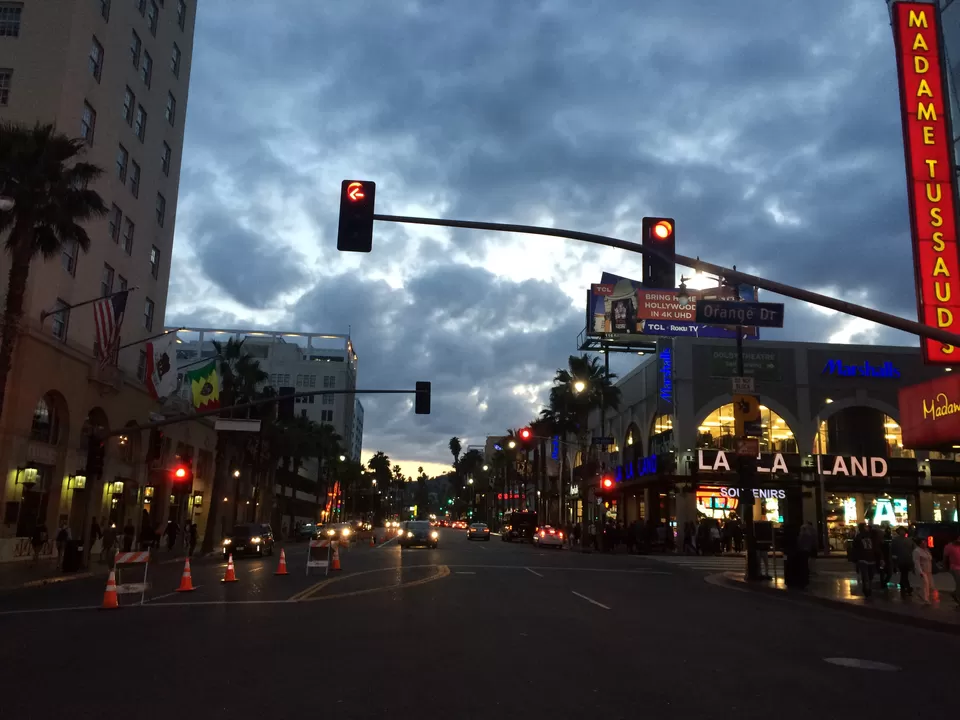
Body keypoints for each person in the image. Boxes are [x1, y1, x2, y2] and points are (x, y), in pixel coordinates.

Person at [852, 523, 879, 597]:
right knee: (866, 575)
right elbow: (855, 549)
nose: (866, 528)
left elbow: (875, 547)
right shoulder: (859, 537)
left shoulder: (870, 536)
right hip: (864, 558)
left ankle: (867, 587)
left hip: (869, 558)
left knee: (869, 575)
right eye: (865, 527)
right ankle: (867, 588)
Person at [890, 527, 914, 598]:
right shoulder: (895, 540)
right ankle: (908, 587)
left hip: (907, 559)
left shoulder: (909, 540)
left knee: (904, 573)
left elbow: (912, 550)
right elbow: (892, 551)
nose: (902, 532)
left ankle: (903, 585)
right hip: (900, 559)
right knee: (904, 573)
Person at [912, 536, 934, 604]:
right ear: (919, 544)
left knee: (930, 585)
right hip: (922, 570)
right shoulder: (916, 551)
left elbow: (929, 559)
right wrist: (920, 572)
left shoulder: (926, 550)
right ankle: (926, 599)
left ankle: (921, 594)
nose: (925, 543)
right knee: (925, 584)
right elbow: (916, 562)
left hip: (928, 570)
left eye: (925, 542)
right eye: (923, 542)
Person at [943, 533, 960, 608]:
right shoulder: (949, 547)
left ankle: (955, 594)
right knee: (959, 584)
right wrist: (945, 566)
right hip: (955, 568)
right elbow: (945, 557)